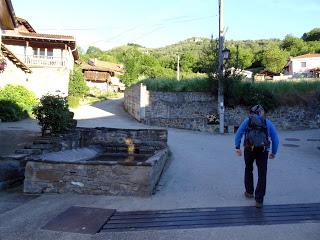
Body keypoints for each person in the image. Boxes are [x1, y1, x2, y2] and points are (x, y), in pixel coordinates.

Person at [234, 104, 279, 208]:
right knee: (262, 174)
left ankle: (249, 192)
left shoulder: (248, 121)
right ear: (262, 113)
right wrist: (273, 152)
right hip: (263, 150)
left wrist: (237, 147)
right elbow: (275, 139)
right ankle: (259, 200)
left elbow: (239, 133)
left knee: (248, 169)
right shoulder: (267, 122)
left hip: (249, 149)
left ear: (252, 112)